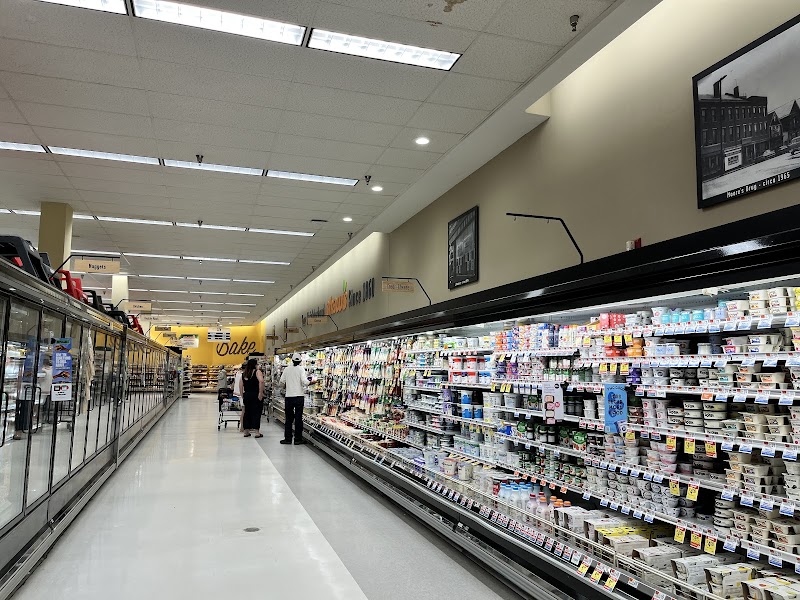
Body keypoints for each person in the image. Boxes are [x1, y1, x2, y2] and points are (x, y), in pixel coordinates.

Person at [279, 353, 309, 445]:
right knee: (298, 418)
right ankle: (297, 439)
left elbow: (281, 382)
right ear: (300, 361)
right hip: (299, 397)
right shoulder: (301, 369)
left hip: (289, 397)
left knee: (288, 418)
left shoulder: (287, 369)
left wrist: (285, 387)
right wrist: (312, 382)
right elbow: (305, 382)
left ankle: (288, 439)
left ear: (292, 360)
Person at [239, 358, 264, 438]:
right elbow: (261, 381)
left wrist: (242, 395)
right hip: (255, 395)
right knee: (256, 412)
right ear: (255, 365)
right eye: (257, 364)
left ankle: (246, 431)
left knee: (247, 412)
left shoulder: (244, 373)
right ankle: (257, 432)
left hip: (247, 394)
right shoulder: (257, 372)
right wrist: (260, 393)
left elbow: (241, 384)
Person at [233, 362, 245, 432]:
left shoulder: (237, 373)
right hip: (242, 394)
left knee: (243, 411)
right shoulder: (242, 375)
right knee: (244, 411)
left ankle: (243, 426)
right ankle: (242, 427)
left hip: (238, 393)